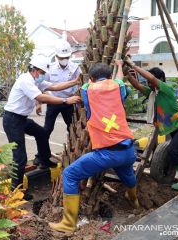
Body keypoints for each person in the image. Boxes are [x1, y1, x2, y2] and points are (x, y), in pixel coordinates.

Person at [48, 60, 139, 233]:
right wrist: (119, 66)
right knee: (127, 175)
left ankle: (68, 223)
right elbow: (119, 80)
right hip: (128, 150)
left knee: (70, 174)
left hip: (107, 153)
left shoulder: (86, 91)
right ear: (109, 76)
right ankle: (134, 200)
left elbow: (87, 85)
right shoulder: (118, 88)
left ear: (91, 78)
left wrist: (90, 80)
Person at [3, 55, 81, 200]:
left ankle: (44, 160)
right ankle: (16, 192)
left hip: (21, 118)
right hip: (12, 120)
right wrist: (66, 100)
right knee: (20, 157)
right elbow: (41, 98)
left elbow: (55, 86)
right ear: (35, 70)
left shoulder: (35, 80)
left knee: (42, 133)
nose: (43, 76)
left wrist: (75, 82)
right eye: (42, 73)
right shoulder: (26, 81)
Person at [124, 56, 178, 191]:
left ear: (160, 79)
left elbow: (150, 79)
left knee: (174, 150)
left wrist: (133, 66)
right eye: (149, 82)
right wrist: (127, 74)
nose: (149, 84)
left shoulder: (166, 89)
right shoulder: (153, 93)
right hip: (174, 128)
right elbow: (138, 85)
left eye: (151, 81)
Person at [34, 39, 81, 166]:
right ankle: (40, 156)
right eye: (61, 57)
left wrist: (75, 98)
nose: (64, 59)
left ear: (70, 55)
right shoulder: (50, 68)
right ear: (56, 56)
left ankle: (75, 154)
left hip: (69, 103)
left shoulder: (75, 68)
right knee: (47, 130)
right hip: (53, 101)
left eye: (66, 57)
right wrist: (39, 102)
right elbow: (43, 86)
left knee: (72, 129)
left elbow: (79, 85)